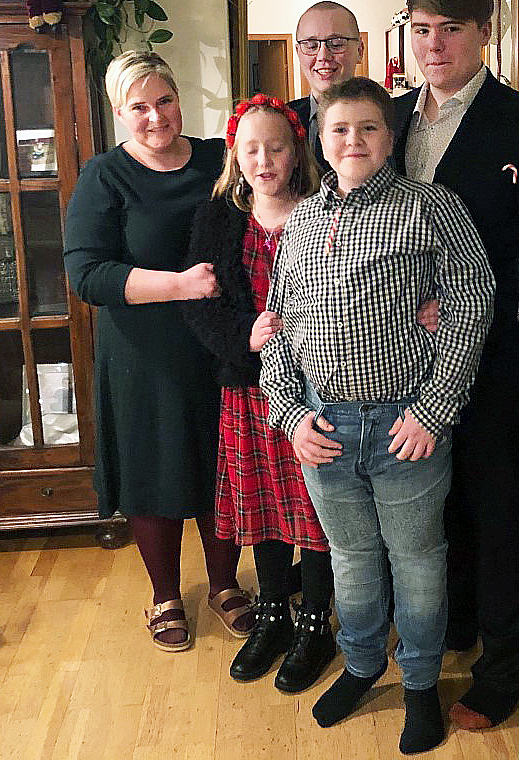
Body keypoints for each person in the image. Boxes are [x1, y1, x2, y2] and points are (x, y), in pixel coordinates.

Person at [259, 77, 494, 755]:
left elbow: (472, 300)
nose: (353, 140)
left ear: (390, 138)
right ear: (320, 140)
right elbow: (278, 324)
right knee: (353, 559)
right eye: (340, 129)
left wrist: (434, 409)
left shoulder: (429, 207)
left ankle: (419, 682)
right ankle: (362, 666)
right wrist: (290, 413)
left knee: (417, 561)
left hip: (404, 428)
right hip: (324, 427)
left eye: (368, 128)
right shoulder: (304, 221)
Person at [393, 0, 519, 730]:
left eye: (451, 30)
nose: (434, 46)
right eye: (422, 30)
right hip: (405, 361)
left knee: (498, 513)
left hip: (493, 357)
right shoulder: (388, 119)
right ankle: (455, 629)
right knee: (435, 506)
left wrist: (463, 308)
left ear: (484, 34)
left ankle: (503, 669)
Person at [63, 50, 255, 655]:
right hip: (143, 354)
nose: (156, 116)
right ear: (119, 113)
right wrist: (179, 284)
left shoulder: (218, 159)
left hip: (218, 344)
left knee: (220, 465)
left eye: (165, 100)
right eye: (139, 106)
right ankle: (166, 595)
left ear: (178, 98)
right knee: (155, 470)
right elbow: (87, 275)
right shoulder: (105, 176)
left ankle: (225, 585)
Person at [181, 94, 337, 693]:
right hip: (249, 390)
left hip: (318, 388)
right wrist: (242, 336)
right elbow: (201, 305)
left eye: (276, 148)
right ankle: (272, 613)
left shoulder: (326, 210)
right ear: (234, 155)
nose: (264, 161)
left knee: (316, 511)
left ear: (297, 152)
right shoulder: (218, 217)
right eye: (251, 150)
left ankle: (315, 622)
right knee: (265, 509)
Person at [289, 1, 365, 172]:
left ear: (360, 50)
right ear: (298, 53)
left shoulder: (390, 119)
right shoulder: (283, 121)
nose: (323, 56)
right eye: (311, 45)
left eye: (336, 44)